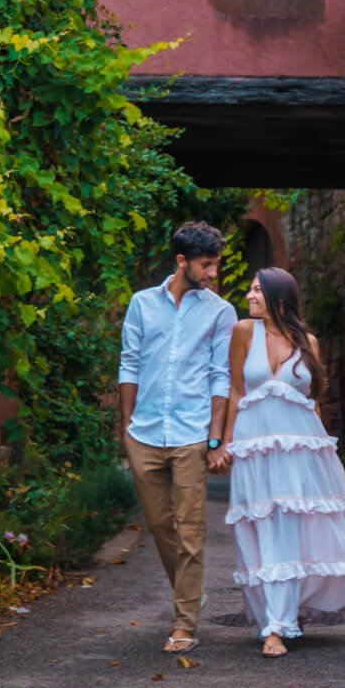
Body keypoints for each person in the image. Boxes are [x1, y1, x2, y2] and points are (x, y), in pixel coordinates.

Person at [219, 267, 345, 658]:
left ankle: (279, 624)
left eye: (256, 291)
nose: (249, 297)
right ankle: (275, 616)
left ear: (279, 299)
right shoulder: (242, 333)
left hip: (301, 448)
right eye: (250, 290)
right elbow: (236, 390)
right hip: (254, 448)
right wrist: (222, 443)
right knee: (259, 530)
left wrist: (324, 455)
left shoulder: (309, 343)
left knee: (293, 529)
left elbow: (312, 402)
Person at [118, 222, 236, 653]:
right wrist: (127, 425)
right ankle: (191, 592)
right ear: (182, 262)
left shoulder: (221, 312)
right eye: (206, 265)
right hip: (145, 432)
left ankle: (184, 621)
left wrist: (214, 437)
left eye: (215, 265)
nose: (213, 274)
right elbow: (128, 363)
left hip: (190, 432)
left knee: (190, 530)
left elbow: (220, 376)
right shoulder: (141, 304)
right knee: (160, 524)